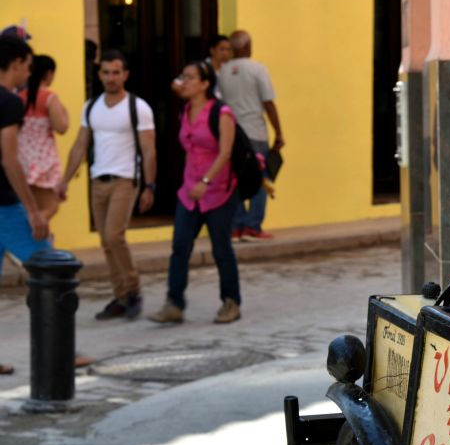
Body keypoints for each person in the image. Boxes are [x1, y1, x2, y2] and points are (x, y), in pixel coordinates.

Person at [58, 50, 156, 321]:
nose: (111, 78)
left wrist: (150, 186)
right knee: (105, 241)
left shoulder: (138, 107)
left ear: (125, 75)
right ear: (99, 75)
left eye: (116, 72)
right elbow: (80, 145)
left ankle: (133, 291)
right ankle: (121, 296)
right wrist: (64, 180)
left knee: (114, 235)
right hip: (97, 180)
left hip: (125, 179)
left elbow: (149, 150)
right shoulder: (91, 107)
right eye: (106, 72)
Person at [148, 61, 241, 325]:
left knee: (221, 248)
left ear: (205, 83)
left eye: (190, 78)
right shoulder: (186, 110)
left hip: (218, 191)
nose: (184, 81)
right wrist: (194, 183)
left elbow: (225, 151)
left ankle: (231, 302)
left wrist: (206, 180)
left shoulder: (221, 113)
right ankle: (174, 303)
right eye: (183, 77)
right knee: (179, 246)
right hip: (189, 192)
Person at [0, 36, 49, 374]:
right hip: (4, 205)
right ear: (16, 63)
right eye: (28, 67)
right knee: (52, 269)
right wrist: (32, 208)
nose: (29, 74)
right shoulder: (9, 103)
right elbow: (9, 160)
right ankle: (61, 349)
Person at [218, 29, 283, 242]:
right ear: (247, 47)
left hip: (232, 133)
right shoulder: (258, 70)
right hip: (255, 132)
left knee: (235, 179)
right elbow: (268, 103)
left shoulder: (222, 72)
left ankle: (236, 226)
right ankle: (253, 226)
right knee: (259, 178)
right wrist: (279, 132)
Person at [18, 55, 69, 224]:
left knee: (28, 206)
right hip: (43, 161)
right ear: (49, 74)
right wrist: (65, 113)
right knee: (51, 206)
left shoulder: (19, 97)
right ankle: (29, 231)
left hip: (22, 158)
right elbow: (61, 127)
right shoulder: (49, 97)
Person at [171, 34, 232, 99]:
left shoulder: (230, 68)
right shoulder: (201, 67)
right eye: (222, 49)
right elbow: (175, 85)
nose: (225, 53)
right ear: (212, 50)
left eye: (228, 50)